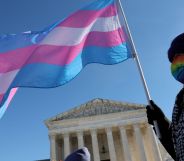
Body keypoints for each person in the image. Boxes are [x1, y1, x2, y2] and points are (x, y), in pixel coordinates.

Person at [146, 33, 184, 161]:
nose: (177, 63)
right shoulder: (180, 101)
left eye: (180, 56)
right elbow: (179, 151)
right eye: (174, 60)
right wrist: (162, 123)